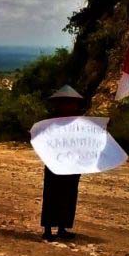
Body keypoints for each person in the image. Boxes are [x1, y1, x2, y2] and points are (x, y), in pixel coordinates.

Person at [41, 85, 85, 242]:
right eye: (66, 103)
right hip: (54, 164)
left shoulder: (81, 123)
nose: (70, 106)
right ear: (58, 104)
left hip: (72, 164)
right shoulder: (49, 123)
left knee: (69, 195)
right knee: (52, 195)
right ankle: (47, 230)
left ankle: (62, 228)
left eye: (72, 103)